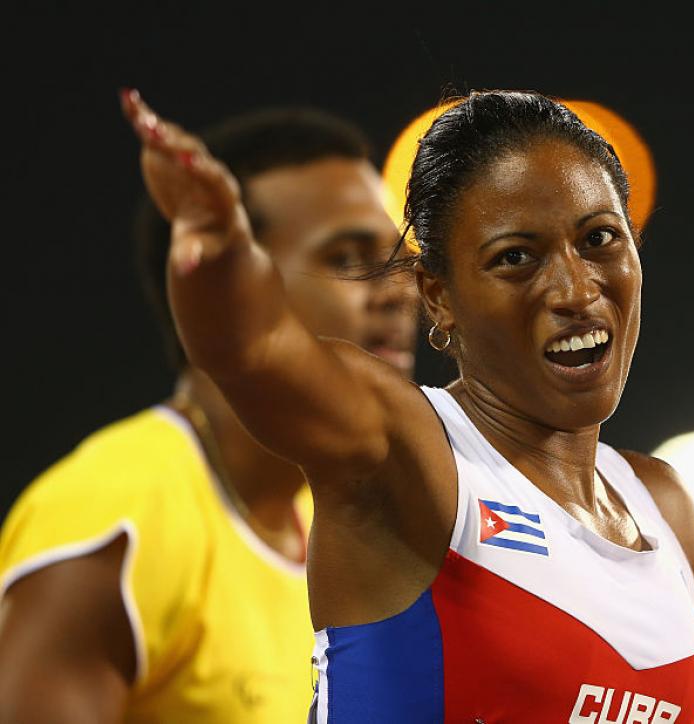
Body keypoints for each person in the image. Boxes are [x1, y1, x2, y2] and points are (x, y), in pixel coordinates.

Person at [117, 88, 694, 723]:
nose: (576, 290)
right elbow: (254, 349)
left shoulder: (660, 507)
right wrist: (217, 243)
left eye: (600, 239)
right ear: (437, 297)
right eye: (516, 257)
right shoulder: (409, 451)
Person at [0, 106, 419, 723]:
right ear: (228, 287)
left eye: (397, 258)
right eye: (348, 257)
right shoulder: (115, 513)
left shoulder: (338, 516)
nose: (399, 289)